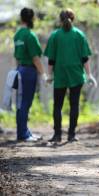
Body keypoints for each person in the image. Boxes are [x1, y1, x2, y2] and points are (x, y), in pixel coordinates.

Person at [44, 8, 97, 142]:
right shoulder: (79, 35)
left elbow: (51, 59)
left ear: (60, 20)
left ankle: (57, 135)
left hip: (60, 74)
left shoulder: (55, 35)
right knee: (74, 105)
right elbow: (85, 58)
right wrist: (89, 74)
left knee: (57, 105)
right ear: (73, 19)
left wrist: (49, 75)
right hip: (76, 74)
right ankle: (71, 135)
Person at [14, 7, 48, 142]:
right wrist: (44, 74)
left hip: (20, 69)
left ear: (21, 18)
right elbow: (35, 58)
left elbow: (16, 56)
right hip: (29, 71)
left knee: (20, 103)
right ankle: (23, 134)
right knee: (25, 102)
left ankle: (23, 131)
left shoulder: (17, 35)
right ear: (32, 19)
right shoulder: (30, 35)